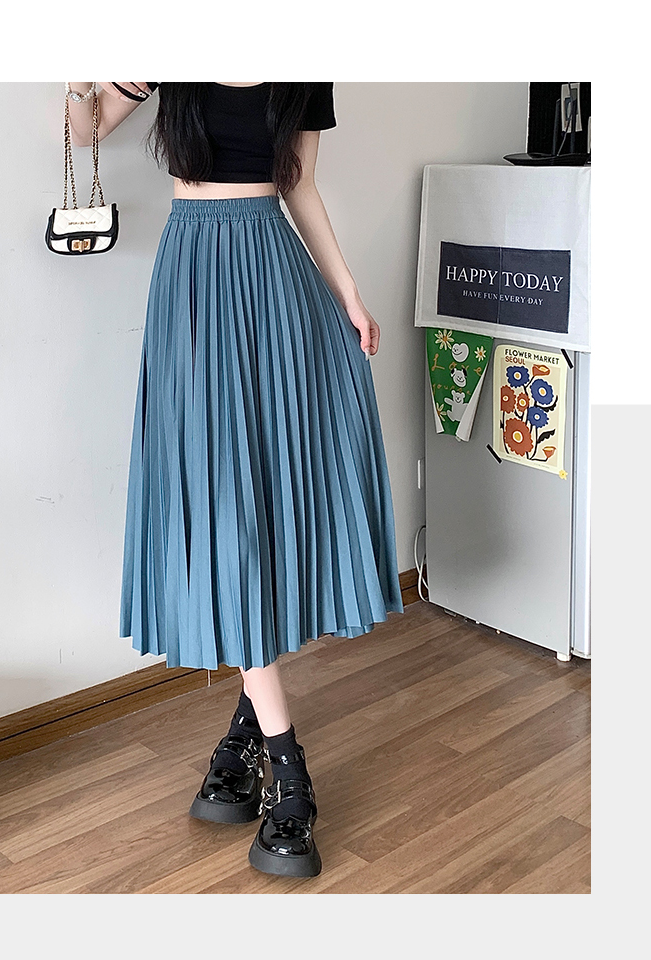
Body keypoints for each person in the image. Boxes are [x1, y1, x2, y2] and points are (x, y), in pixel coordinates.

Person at [66, 81, 404, 879]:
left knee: (269, 501)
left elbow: (300, 187)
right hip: (193, 282)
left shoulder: (304, 70)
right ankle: (286, 770)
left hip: (273, 281)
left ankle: (249, 743)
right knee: (224, 508)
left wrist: (349, 296)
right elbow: (86, 132)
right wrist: (82, 74)